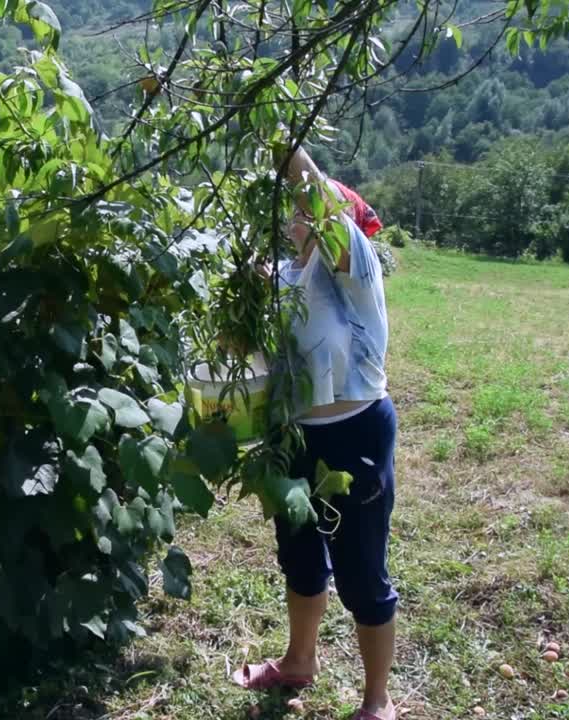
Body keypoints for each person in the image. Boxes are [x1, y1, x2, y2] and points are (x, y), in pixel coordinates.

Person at [229, 146, 399, 720]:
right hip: (294, 438)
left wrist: (282, 139)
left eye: (310, 211)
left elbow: (318, 197)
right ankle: (299, 661)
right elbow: (247, 345)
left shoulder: (356, 270)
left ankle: (377, 701)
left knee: (361, 570)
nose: (298, 217)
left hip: (355, 436)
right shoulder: (283, 276)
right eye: (295, 212)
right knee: (300, 556)